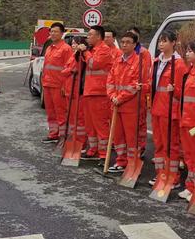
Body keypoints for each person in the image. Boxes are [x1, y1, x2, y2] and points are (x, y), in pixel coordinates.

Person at [106, 32, 148, 173]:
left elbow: (134, 85)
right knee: (118, 136)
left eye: (128, 42)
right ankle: (120, 161)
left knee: (131, 137)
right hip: (116, 105)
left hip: (130, 106)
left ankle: (132, 163)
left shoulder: (139, 62)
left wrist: (121, 97)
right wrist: (112, 96)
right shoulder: (117, 60)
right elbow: (110, 81)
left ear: (134, 44)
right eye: (123, 42)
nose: (124, 44)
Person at [150, 31, 187, 187]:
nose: (161, 44)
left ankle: (173, 176)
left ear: (173, 43)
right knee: (158, 143)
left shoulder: (178, 64)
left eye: (165, 41)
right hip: (156, 107)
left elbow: (182, 91)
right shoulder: (157, 61)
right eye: (160, 41)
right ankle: (161, 174)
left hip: (169, 109)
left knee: (170, 145)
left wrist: (175, 91)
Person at [79, 25, 113, 163]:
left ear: (99, 36)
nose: (88, 37)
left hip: (99, 93)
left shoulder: (104, 50)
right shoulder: (92, 50)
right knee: (90, 124)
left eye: (90, 34)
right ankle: (92, 150)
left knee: (100, 124)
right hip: (89, 91)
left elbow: (94, 64)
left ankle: (103, 153)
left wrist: (85, 52)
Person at [177, 40, 195, 202]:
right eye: (186, 51)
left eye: (190, 51)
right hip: (185, 120)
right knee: (188, 156)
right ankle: (190, 186)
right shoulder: (191, 70)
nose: (187, 54)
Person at [41, 23, 73, 144]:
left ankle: (62, 136)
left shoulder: (66, 49)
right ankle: (53, 134)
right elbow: (46, 67)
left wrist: (65, 86)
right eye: (51, 31)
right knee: (50, 112)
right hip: (48, 84)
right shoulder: (49, 48)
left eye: (56, 32)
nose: (53, 34)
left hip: (58, 86)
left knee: (61, 113)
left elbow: (69, 69)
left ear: (62, 33)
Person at [61, 36, 87, 156]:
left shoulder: (81, 56)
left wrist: (68, 70)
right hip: (69, 90)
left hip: (77, 91)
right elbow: (67, 70)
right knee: (71, 118)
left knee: (79, 118)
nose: (73, 45)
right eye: (72, 43)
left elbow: (72, 69)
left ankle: (81, 142)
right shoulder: (73, 55)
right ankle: (72, 138)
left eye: (75, 43)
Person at [129, 27, 152, 158]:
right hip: (128, 94)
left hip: (140, 91)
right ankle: (131, 147)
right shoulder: (126, 52)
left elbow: (145, 73)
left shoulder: (143, 53)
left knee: (140, 122)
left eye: (134, 35)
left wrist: (141, 87)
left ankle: (141, 146)